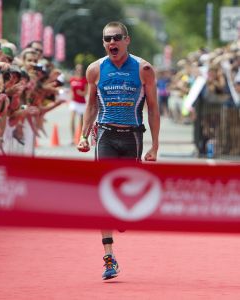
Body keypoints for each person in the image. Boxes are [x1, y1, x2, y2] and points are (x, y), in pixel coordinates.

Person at [77, 21, 160, 280]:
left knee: (125, 198)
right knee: (103, 196)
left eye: (117, 38)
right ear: (103, 43)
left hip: (133, 137)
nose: (112, 42)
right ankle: (109, 258)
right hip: (105, 135)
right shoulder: (95, 69)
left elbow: (154, 108)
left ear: (127, 40)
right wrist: (83, 135)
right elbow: (90, 105)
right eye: (107, 39)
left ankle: (123, 212)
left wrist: (155, 145)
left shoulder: (144, 69)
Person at [69, 63, 87, 144]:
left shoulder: (84, 80)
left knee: (81, 121)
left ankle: (80, 137)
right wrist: (71, 95)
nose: (79, 70)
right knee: (72, 119)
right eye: (77, 69)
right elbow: (71, 90)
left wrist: (81, 93)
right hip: (74, 102)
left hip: (82, 102)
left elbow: (86, 92)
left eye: (80, 69)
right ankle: (72, 138)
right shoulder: (72, 79)